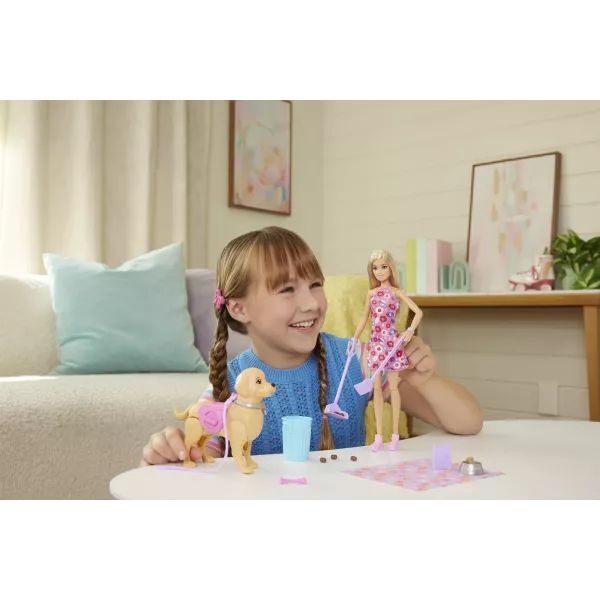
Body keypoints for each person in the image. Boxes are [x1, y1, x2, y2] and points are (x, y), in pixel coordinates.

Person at [140, 226, 482, 467]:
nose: (310, 303)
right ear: (239, 308)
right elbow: (196, 467)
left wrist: (420, 378)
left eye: (315, 284)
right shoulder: (227, 388)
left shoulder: (354, 360)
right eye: (287, 290)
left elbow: (468, 422)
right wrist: (169, 453)